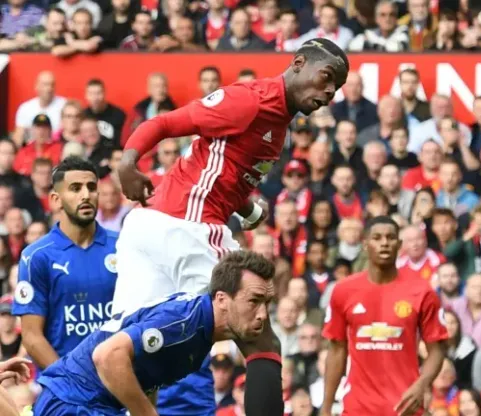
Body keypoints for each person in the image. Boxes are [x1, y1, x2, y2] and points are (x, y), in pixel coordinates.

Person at [112, 38, 349, 415]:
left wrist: (248, 209)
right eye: (326, 77)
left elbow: (222, 171)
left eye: (336, 86)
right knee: (260, 339)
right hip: (188, 227)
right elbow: (165, 122)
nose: (330, 91)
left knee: (132, 352)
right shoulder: (250, 100)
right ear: (298, 63)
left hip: (148, 228)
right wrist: (127, 163)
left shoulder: (279, 124)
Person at [32, 250, 275, 416]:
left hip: (86, 402)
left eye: (267, 303)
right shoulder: (184, 323)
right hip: (73, 401)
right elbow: (107, 356)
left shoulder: (202, 331)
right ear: (221, 299)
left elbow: (147, 372)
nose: (263, 314)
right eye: (254, 301)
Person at [321, 216, 449, 415]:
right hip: (357, 408)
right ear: (365, 244)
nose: (384, 243)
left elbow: (437, 349)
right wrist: (326, 407)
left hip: (404, 407)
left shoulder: (422, 291)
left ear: (399, 244)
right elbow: (337, 350)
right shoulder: (343, 291)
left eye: (390, 238)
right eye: (377, 238)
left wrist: (422, 384)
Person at [12, 157, 118, 370]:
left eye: (91, 187)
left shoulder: (122, 246)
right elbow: (32, 337)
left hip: (118, 380)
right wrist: (70, 380)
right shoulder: (36, 256)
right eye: (75, 188)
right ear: (56, 200)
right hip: (66, 384)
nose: (86, 195)